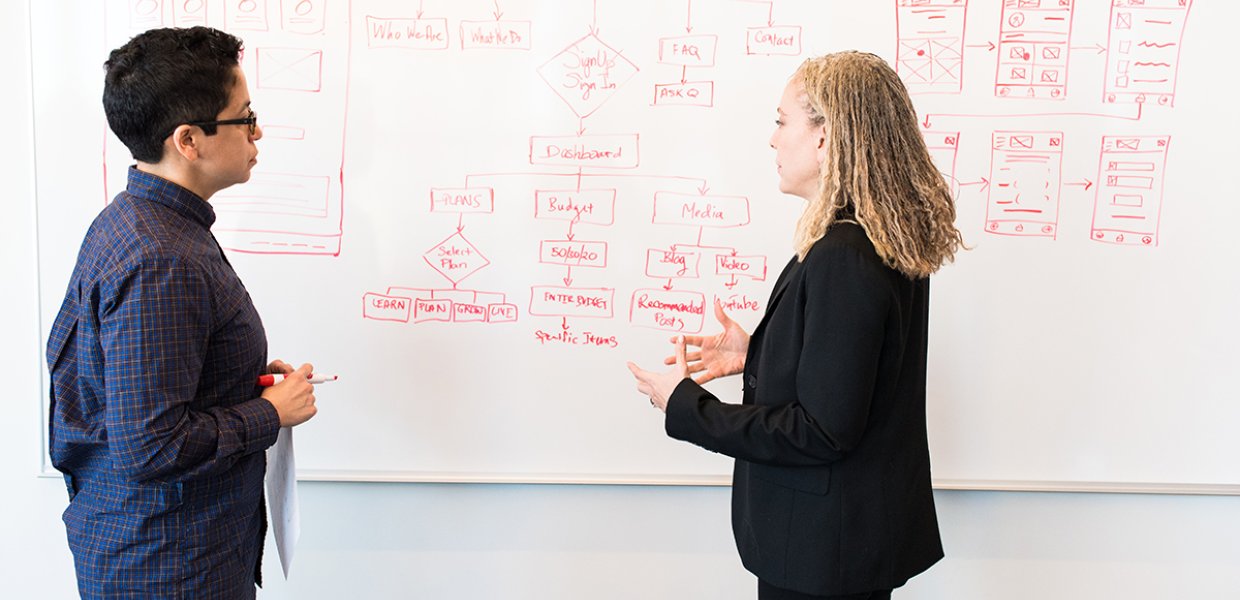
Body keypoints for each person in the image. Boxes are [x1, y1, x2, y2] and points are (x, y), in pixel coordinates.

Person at [627, 51, 964, 600]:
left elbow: (822, 430)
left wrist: (686, 406)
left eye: (783, 121)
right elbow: (855, 377)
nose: (773, 139)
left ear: (826, 138)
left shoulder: (845, 254)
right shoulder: (881, 239)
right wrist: (756, 353)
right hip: (843, 545)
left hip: (824, 555)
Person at [45, 26, 319, 599]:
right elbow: (152, 445)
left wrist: (239, 378)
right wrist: (270, 413)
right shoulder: (160, 258)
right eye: (244, 118)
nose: (257, 131)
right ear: (188, 140)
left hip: (166, 551)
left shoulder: (146, 223)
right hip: (167, 567)